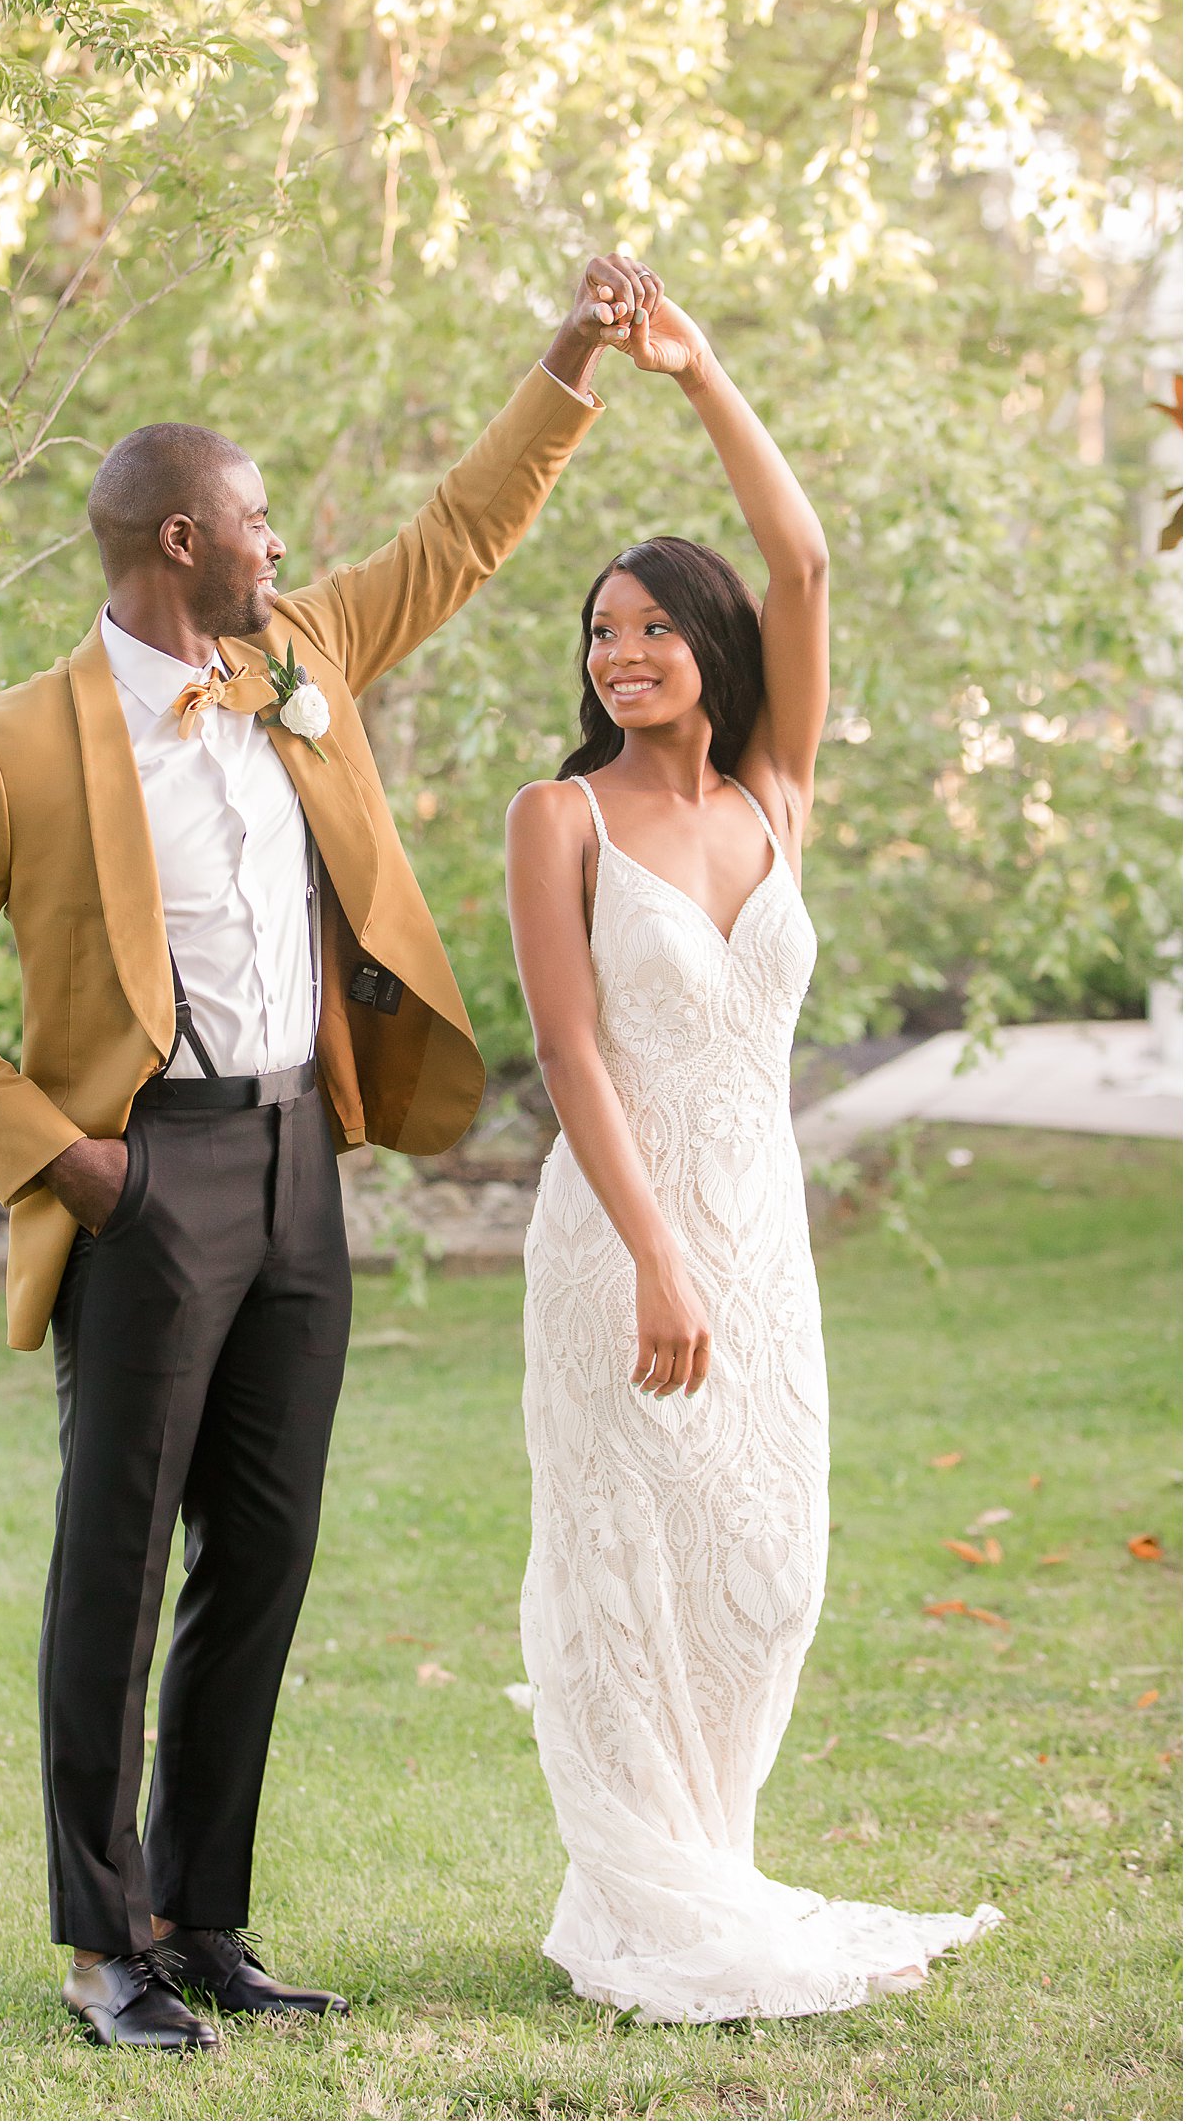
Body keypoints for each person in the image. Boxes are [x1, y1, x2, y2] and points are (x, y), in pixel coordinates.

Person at [0, 256, 630, 2051]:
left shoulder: (296, 657)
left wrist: (568, 368)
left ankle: (204, 1915)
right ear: (183, 537)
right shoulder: (17, 744)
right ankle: (97, 1945)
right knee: (114, 1562)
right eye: (260, 520)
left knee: (264, 1550)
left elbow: (454, 539)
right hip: (145, 1182)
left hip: (299, 1163)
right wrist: (64, 1158)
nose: (287, 544)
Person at [505, 262, 1003, 2022]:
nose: (620, 653)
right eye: (598, 631)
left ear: (706, 646)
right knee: (626, 1563)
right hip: (618, 1231)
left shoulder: (774, 795)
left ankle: (709, 1853)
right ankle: (644, 1891)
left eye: (649, 626)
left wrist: (701, 367)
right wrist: (650, 1252)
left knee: (767, 1567)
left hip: (763, 1229)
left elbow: (803, 561)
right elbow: (570, 1053)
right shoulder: (557, 816)